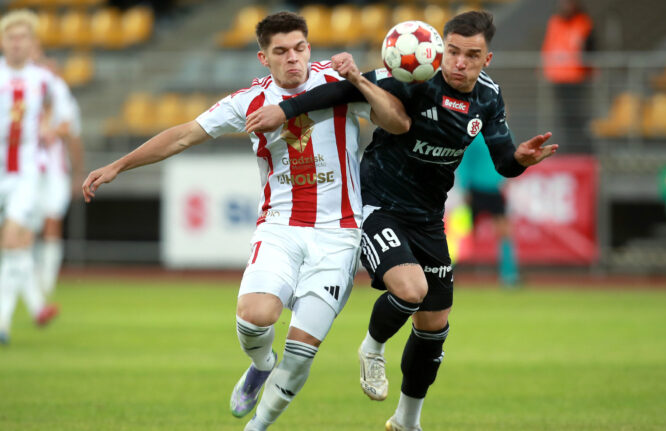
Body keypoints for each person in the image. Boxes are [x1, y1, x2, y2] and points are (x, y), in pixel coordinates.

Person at [81, 11, 410, 430]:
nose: (293, 58)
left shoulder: (338, 84)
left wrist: (361, 81)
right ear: (263, 58)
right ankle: (260, 364)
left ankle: (256, 426)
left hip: (339, 233)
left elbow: (398, 122)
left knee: (302, 350)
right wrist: (118, 165)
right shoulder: (248, 101)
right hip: (280, 226)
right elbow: (184, 134)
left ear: (309, 47)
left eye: (300, 48)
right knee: (255, 316)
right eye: (281, 52)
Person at [246, 11, 557, 430]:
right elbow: (337, 93)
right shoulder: (413, 73)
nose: (459, 62)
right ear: (440, 48)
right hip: (378, 205)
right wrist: (286, 110)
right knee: (412, 289)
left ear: (488, 59)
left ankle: (407, 421)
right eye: (453, 52)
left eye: (472, 55)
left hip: (428, 218)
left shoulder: (489, 96)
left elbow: (503, 160)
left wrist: (520, 161)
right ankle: (372, 349)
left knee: (434, 327)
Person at [0, 9, 60, 345]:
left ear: (32, 43)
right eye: (12, 37)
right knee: (15, 247)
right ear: (3, 41)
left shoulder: (44, 79)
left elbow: (59, 113)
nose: (17, 43)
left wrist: (50, 126)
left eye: (24, 37)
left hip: (25, 173)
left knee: (13, 238)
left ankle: (4, 322)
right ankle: (36, 306)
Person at [34, 55, 84, 299]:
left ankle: (46, 281)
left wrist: (78, 172)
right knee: (24, 225)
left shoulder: (62, 99)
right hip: (24, 170)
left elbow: (72, 134)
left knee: (51, 221)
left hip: (54, 169)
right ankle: (30, 279)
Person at [456, 132, 519, 286]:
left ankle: (509, 275)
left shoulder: (503, 133)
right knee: (462, 234)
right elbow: (464, 160)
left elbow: (508, 160)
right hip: (475, 190)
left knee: (505, 232)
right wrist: (464, 187)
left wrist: (507, 179)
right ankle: (444, 271)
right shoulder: (474, 135)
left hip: (494, 191)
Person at [541, 0, 594, 153]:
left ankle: (580, 149)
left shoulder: (583, 23)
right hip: (558, 78)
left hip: (577, 79)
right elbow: (549, 46)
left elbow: (591, 49)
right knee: (563, 117)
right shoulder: (555, 22)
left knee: (577, 117)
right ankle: (568, 149)